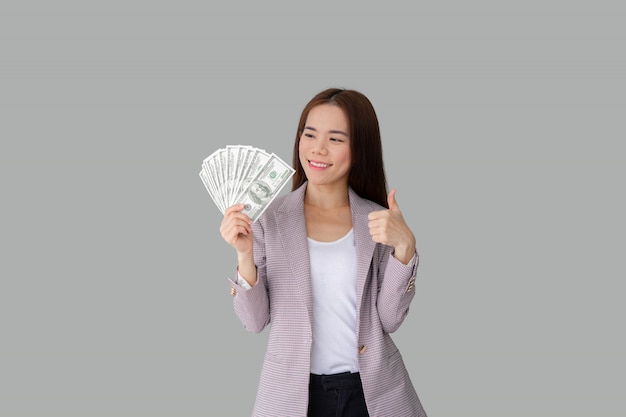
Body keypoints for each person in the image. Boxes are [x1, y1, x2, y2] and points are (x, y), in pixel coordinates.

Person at [219, 87, 428, 417]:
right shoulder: (267, 220)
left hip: (371, 392)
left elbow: (389, 319)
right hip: (293, 395)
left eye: (335, 139)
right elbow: (254, 321)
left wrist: (405, 249)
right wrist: (244, 255)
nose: (318, 148)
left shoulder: (377, 222)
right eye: (310, 134)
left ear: (359, 149)